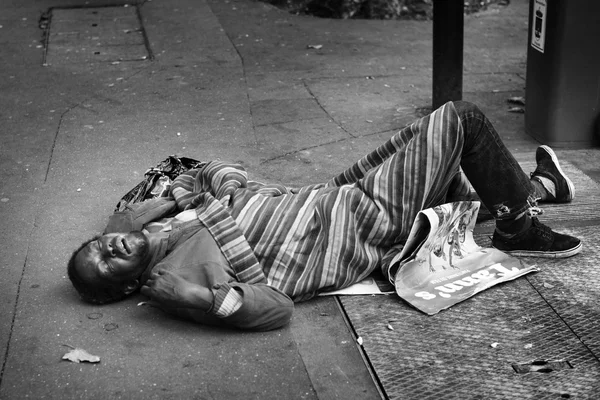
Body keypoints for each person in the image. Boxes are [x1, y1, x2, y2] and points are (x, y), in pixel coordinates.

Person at [67, 101, 582, 331]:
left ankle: (537, 189)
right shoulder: (175, 280)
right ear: (125, 290)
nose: (107, 250)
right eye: (105, 265)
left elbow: (220, 175)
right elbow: (274, 309)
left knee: (441, 157)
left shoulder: (163, 225)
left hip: (331, 195)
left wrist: (184, 194)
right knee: (460, 120)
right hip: (353, 224)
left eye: (96, 245)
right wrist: (204, 299)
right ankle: (520, 229)